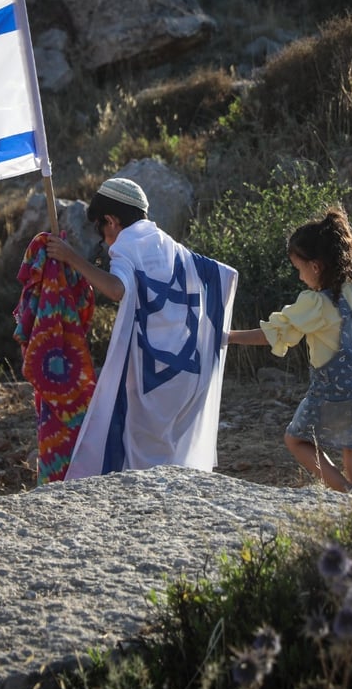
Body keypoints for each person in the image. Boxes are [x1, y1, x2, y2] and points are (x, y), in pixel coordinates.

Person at [45, 178, 237, 477]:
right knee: (171, 452)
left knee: (142, 453)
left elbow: (117, 289)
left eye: (101, 228)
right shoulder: (168, 243)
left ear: (112, 220)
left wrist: (71, 258)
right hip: (189, 370)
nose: (104, 238)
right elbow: (218, 274)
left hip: (154, 374)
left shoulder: (126, 245)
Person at [227, 209, 352, 497]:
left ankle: (347, 491)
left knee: (295, 440)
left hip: (332, 393)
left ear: (315, 266)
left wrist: (229, 337)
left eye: (299, 269)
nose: (299, 277)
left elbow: (274, 333)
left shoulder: (315, 303)